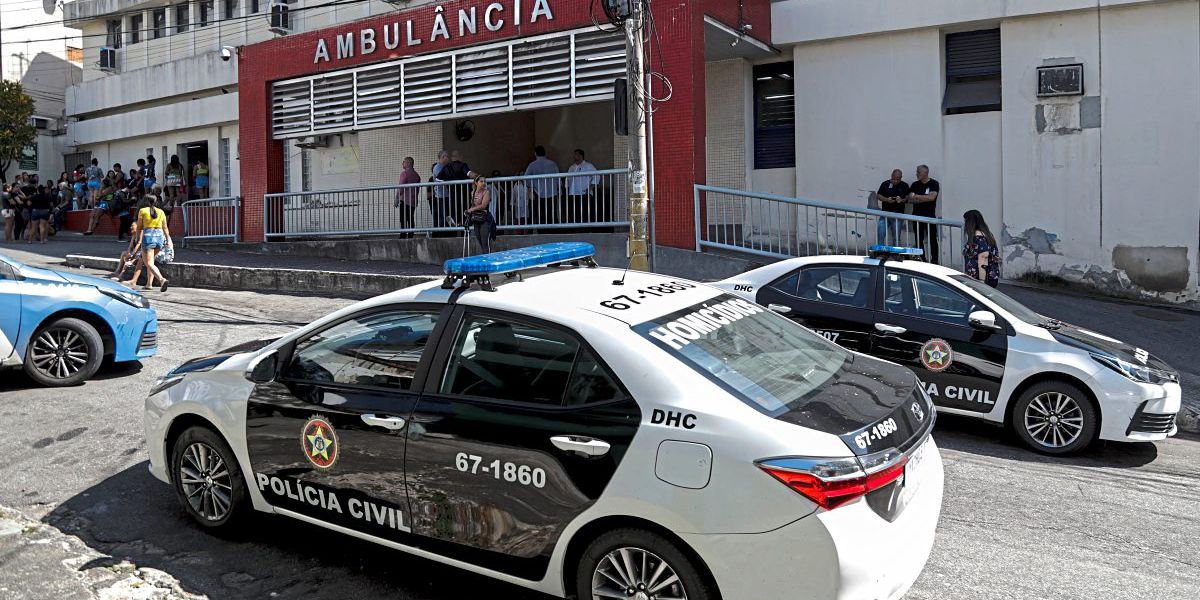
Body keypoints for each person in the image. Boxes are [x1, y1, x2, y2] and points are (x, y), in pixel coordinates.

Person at [124, 195, 172, 292]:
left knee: (149, 263)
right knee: (152, 262)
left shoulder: (143, 211)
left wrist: (137, 237)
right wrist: (168, 240)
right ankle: (149, 284)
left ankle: (162, 280)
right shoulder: (161, 212)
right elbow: (165, 228)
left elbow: (139, 227)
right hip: (159, 238)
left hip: (148, 238)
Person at [908, 165, 941, 264]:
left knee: (932, 239)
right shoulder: (915, 185)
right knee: (919, 239)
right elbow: (910, 199)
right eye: (917, 171)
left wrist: (917, 196)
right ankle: (922, 260)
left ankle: (935, 261)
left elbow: (932, 198)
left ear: (925, 173)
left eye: (918, 172)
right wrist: (924, 198)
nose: (916, 174)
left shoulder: (934, 183)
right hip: (917, 216)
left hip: (930, 217)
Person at [962, 210, 1001, 288]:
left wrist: (981, 281)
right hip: (991, 276)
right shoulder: (988, 234)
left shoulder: (978, 236)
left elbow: (983, 258)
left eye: (966, 221)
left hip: (980, 279)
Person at [525, 146, 560, 224]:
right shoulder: (552, 164)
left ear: (535, 153)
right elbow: (558, 178)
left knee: (540, 214)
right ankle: (552, 231)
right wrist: (558, 188)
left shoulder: (533, 165)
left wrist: (530, 188)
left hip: (538, 193)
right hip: (552, 192)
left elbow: (526, 178)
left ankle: (541, 231)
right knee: (551, 213)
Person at [875, 169, 909, 245]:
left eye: (898, 179)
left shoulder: (904, 185)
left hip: (898, 215)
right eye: (894, 179)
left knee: (896, 237)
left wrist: (901, 200)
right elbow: (878, 195)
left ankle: (896, 255)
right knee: (880, 235)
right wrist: (886, 199)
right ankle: (880, 253)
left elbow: (908, 198)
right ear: (891, 176)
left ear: (901, 177)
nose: (896, 181)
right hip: (885, 214)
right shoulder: (885, 183)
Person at [566, 148, 599, 224]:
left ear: (580, 156)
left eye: (575, 155)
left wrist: (590, 188)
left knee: (585, 214)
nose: (574, 156)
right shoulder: (571, 167)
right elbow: (567, 180)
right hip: (572, 194)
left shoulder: (588, 166)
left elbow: (597, 176)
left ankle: (586, 230)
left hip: (584, 194)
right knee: (574, 214)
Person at [466, 175, 495, 254]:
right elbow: (473, 205)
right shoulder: (473, 192)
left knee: (485, 242)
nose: (483, 183)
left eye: (485, 181)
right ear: (476, 183)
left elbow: (483, 205)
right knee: (480, 241)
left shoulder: (486, 192)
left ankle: (488, 261)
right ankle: (485, 259)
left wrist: (472, 209)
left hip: (485, 219)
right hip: (476, 219)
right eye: (481, 181)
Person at [395, 157, 421, 236]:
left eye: (404, 162)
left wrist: (396, 198)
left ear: (409, 163)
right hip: (412, 201)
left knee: (403, 219)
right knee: (410, 218)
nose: (402, 163)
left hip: (404, 200)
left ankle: (403, 235)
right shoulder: (417, 175)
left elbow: (401, 187)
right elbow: (417, 190)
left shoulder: (404, 173)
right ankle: (411, 235)